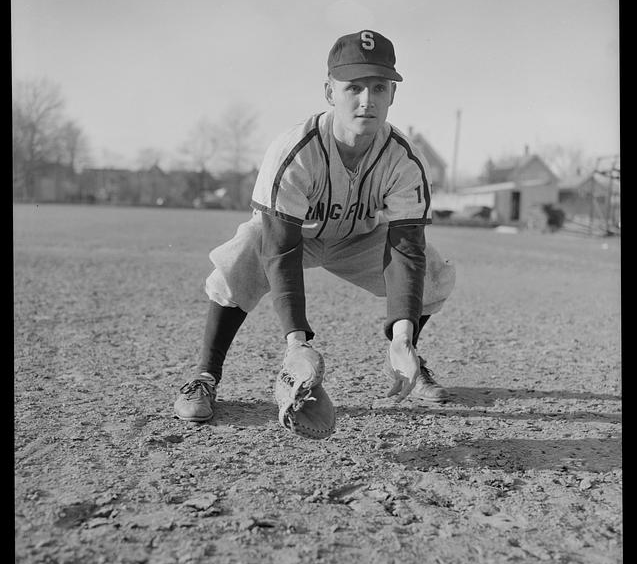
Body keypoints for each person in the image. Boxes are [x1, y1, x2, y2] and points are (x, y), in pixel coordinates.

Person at [174, 29, 455, 423]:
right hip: (295, 240)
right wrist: (296, 343)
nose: (366, 100)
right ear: (329, 92)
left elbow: (406, 248)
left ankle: (407, 359)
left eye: (378, 87)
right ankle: (205, 376)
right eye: (353, 87)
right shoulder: (295, 150)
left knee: (434, 272)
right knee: (242, 253)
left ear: (393, 94)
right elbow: (281, 248)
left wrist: (403, 337)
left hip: (357, 239)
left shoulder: (403, 158)